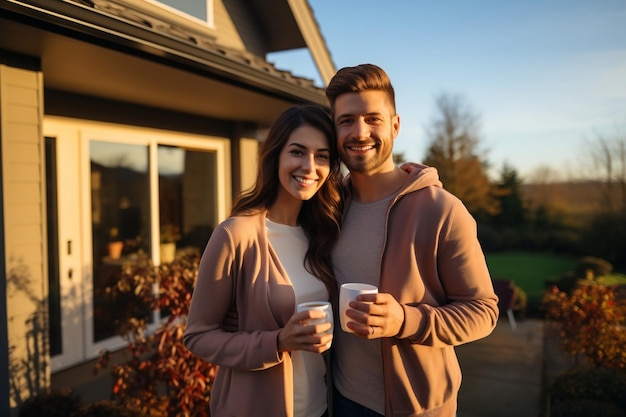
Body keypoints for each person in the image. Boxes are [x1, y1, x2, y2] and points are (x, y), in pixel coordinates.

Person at [325, 63, 499, 417]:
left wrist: (406, 320)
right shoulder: (328, 209)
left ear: (395, 125)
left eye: (373, 118)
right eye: (346, 120)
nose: (360, 132)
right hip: (338, 399)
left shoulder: (442, 210)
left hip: (416, 408)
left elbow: (483, 311)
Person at [183, 104, 343, 417]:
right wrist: (278, 341)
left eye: (322, 155)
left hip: (320, 408)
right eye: (298, 152)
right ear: (276, 156)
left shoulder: (322, 232)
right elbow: (198, 336)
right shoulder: (236, 234)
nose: (310, 167)